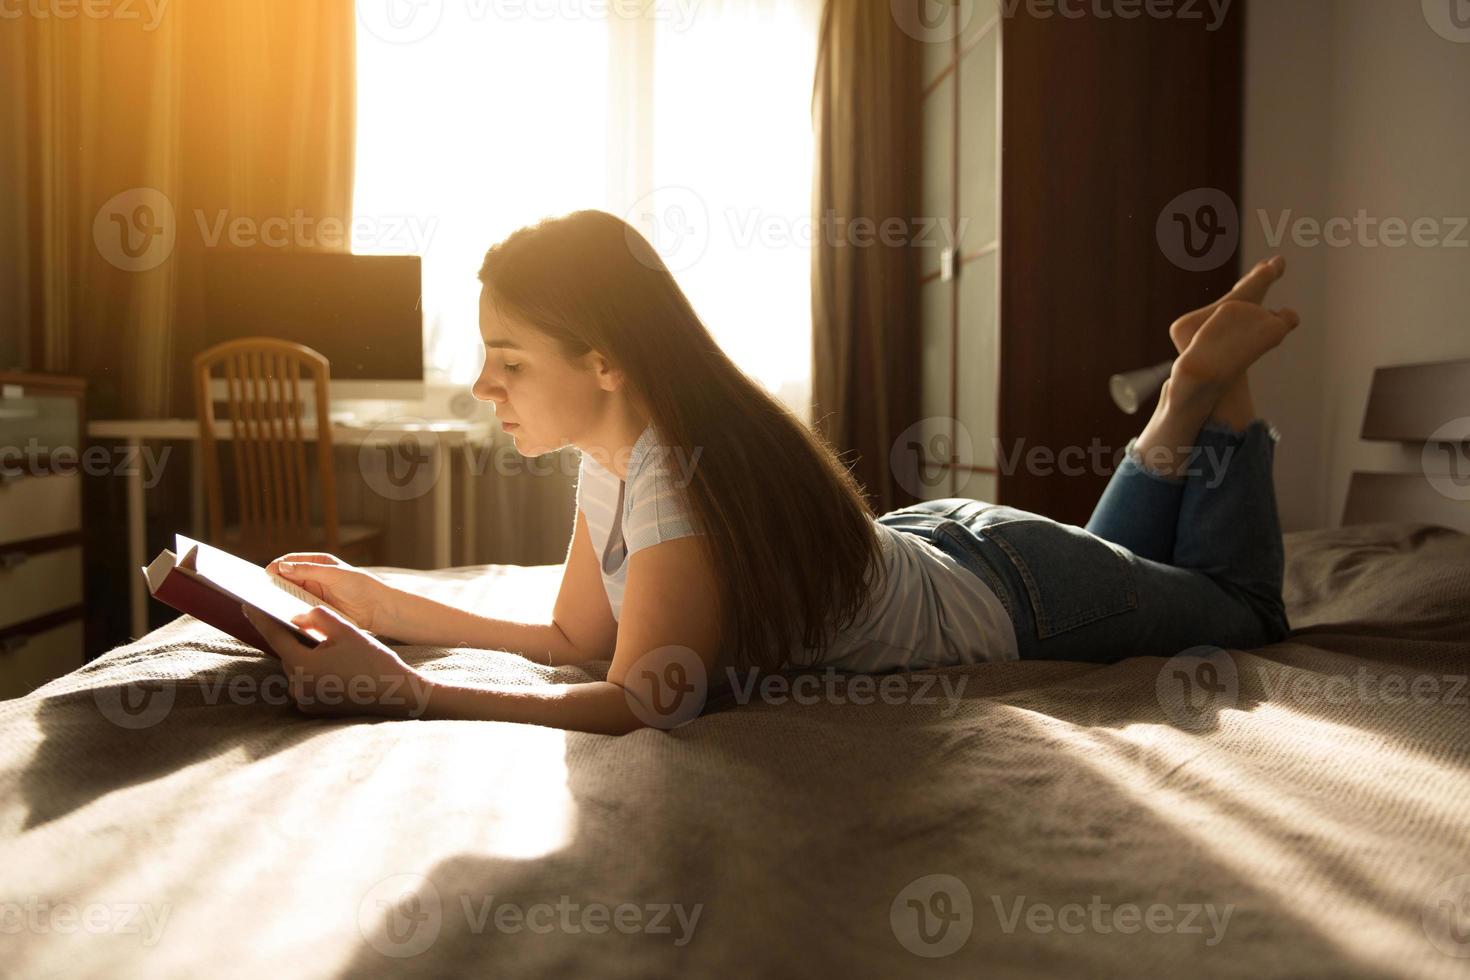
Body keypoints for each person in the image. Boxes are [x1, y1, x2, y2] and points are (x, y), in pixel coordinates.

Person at [244, 211, 1299, 735]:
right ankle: (1184, 392)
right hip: (966, 552)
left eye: (508, 360)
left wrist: (413, 691)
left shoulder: (671, 477)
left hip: (1019, 595)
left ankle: (1218, 390)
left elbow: (643, 696)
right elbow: (577, 640)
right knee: (1131, 564)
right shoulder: (620, 451)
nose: (482, 386)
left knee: (1245, 610)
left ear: (605, 362)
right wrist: (387, 607)